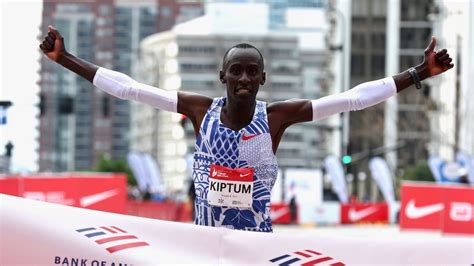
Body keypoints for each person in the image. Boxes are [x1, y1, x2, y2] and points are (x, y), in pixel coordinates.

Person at [40, 25, 453, 232]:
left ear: (262, 79)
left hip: (256, 249)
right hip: (202, 248)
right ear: (222, 75)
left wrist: (419, 73)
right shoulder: (199, 111)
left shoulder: (276, 118)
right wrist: (65, 58)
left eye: (251, 72)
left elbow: (352, 99)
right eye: (235, 70)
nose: (243, 78)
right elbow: (129, 89)